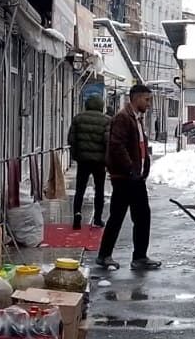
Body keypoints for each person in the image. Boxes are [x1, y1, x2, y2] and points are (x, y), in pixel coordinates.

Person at [97, 84, 162, 271]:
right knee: (122, 216)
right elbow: (117, 146)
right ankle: (108, 256)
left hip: (134, 176)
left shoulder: (136, 118)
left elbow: (139, 145)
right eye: (147, 100)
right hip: (125, 177)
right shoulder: (123, 118)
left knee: (139, 216)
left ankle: (137, 256)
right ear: (136, 98)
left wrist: (145, 164)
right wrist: (131, 169)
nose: (149, 104)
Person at [67, 95, 111, 230]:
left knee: (80, 190)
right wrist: (107, 159)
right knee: (99, 190)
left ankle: (77, 215)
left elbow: (71, 139)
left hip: (83, 160)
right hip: (99, 162)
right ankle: (97, 218)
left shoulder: (78, 119)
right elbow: (108, 141)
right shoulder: (106, 120)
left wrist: (76, 155)